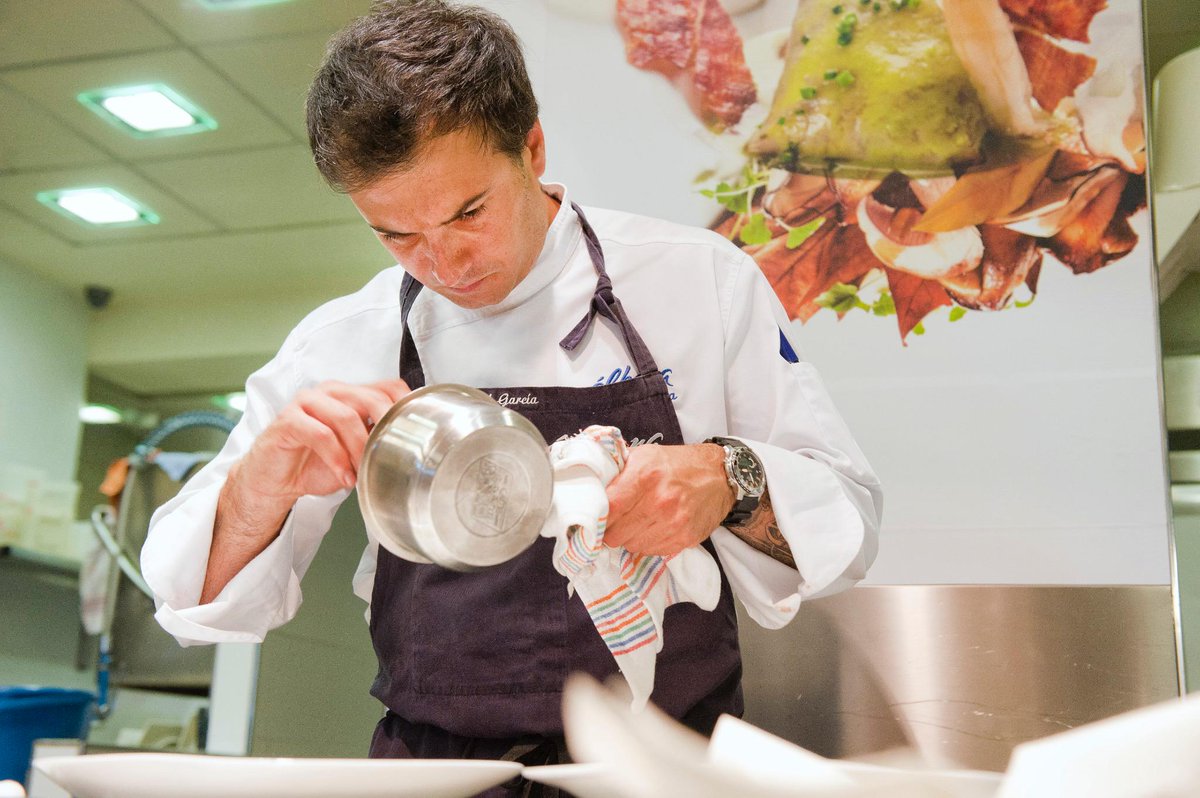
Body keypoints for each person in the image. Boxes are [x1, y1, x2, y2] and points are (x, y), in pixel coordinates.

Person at [142, 0, 882, 783]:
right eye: (397, 235)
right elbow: (194, 602)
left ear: (530, 147)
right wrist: (262, 481)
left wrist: (726, 477)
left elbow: (849, 516)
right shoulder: (343, 339)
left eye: (469, 212)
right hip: (433, 776)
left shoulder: (697, 279)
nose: (447, 263)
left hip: (661, 773)